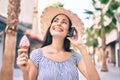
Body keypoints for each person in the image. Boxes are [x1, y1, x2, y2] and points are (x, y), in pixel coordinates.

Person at [17, 6, 100, 80]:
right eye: (55, 21)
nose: (58, 23)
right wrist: (25, 71)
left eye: (64, 22)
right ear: (50, 28)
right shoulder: (37, 55)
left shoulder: (75, 56)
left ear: (69, 31)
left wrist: (81, 47)